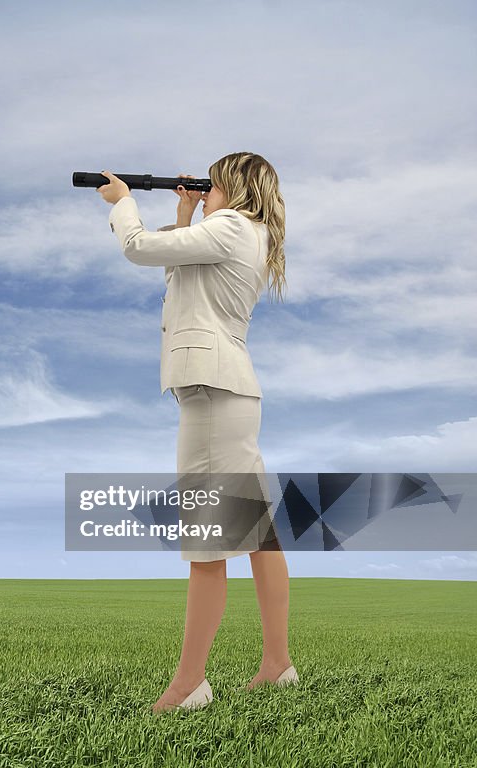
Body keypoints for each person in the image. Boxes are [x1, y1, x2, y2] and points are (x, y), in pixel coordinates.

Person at [97, 152, 296, 713]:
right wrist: (185, 214)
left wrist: (124, 203)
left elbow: (139, 248)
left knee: (207, 543)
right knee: (259, 535)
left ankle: (190, 684)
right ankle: (277, 665)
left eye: (212, 183)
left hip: (212, 396)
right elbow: (185, 278)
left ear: (232, 187)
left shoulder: (231, 226)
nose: (206, 191)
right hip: (231, 393)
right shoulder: (245, 233)